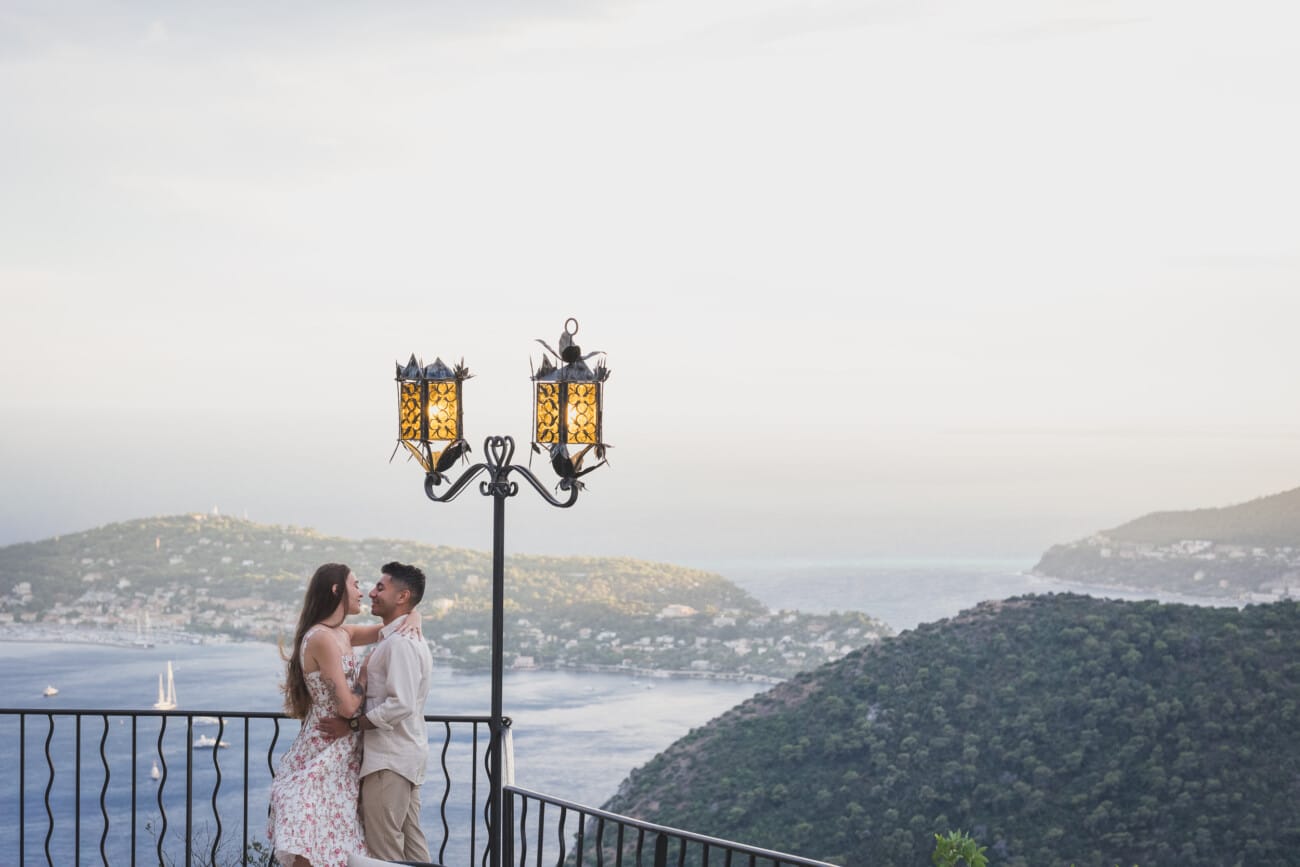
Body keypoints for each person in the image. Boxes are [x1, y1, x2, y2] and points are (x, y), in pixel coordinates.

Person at [267, 563, 423, 867]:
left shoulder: (341, 633)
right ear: (337, 590)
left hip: (343, 751)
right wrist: (363, 678)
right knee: (311, 838)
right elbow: (348, 708)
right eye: (355, 585)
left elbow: (389, 626)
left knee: (332, 838)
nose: (362, 592)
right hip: (324, 747)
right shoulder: (323, 638)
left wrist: (415, 613)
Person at [321, 561, 435, 863]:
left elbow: (401, 704)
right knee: (412, 849)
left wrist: (354, 725)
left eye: (380, 587)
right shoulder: (402, 638)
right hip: (403, 758)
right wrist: (415, 613)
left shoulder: (400, 644)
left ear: (402, 596)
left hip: (389, 762)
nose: (371, 592)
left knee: (384, 852)